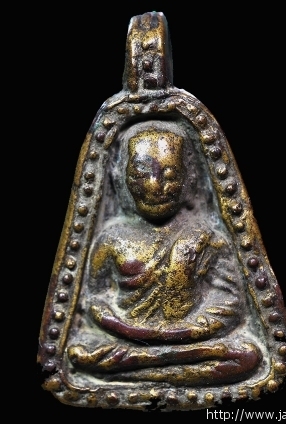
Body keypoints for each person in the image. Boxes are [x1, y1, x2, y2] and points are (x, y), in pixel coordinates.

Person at [66, 120, 262, 385]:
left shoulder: (207, 239)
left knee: (247, 355)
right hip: (128, 339)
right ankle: (162, 370)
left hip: (188, 342)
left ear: (189, 179)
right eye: (141, 175)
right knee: (78, 353)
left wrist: (182, 332)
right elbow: (94, 299)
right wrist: (126, 329)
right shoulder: (111, 239)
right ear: (121, 178)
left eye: (169, 175)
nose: (155, 186)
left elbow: (231, 302)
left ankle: (137, 373)